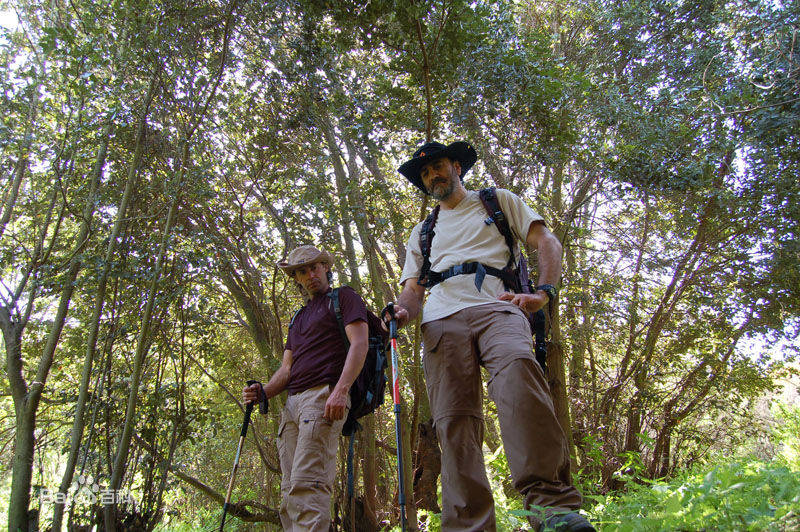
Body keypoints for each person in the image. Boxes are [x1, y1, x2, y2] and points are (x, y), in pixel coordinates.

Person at [388, 141, 594, 532]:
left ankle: (552, 510)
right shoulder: (423, 232)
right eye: (425, 173)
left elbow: (547, 242)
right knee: (454, 421)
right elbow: (413, 291)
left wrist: (543, 294)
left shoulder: (496, 202)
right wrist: (401, 312)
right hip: (440, 320)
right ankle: (469, 526)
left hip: (499, 305)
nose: (432, 176)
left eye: (438, 166)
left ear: (456, 166)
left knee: (520, 383)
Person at [243, 245, 369, 532]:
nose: (310, 275)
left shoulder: (343, 297)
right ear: (296, 278)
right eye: (302, 271)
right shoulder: (298, 318)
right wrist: (264, 391)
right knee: (289, 491)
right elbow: (286, 369)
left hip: (322, 397)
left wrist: (341, 390)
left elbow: (359, 343)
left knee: (308, 486)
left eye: (314, 267)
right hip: (292, 405)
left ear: (325, 267)